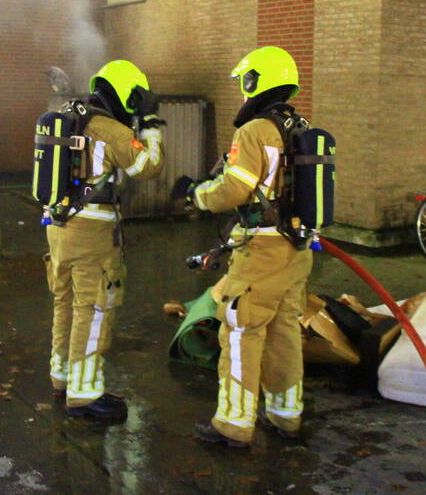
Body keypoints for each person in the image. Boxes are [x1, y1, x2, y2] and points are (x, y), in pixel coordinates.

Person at [173, 46, 313, 447]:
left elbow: (235, 188)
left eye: (245, 82)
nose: (243, 90)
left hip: (262, 252)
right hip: (295, 247)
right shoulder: (298, 127)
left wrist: (196, 194)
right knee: (284, 330)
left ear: (257, 81)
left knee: (239, 330)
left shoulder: (254, 131)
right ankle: (286, 416)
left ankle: (233, 424)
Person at [44, 59, 165, 420]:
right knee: (94, 307)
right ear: (129, 95)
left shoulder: (71, 117)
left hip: (57, 226)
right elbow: (149, 167)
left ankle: (62, 376)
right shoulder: (110, 129)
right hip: (91, 234)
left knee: (65, 302)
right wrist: (153, 124)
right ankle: (84, 393)